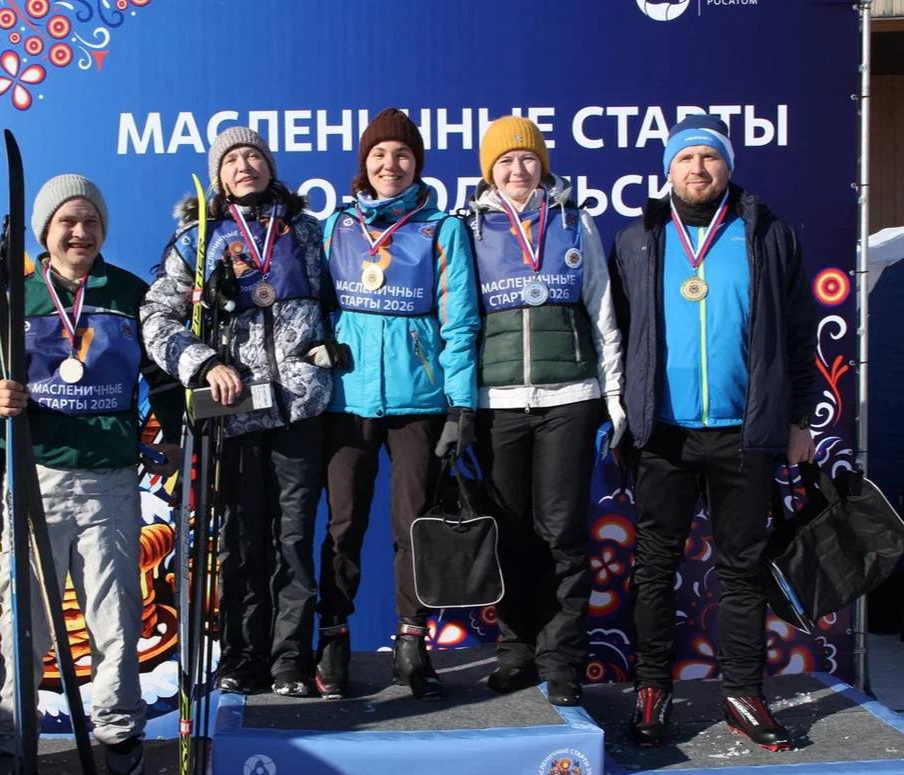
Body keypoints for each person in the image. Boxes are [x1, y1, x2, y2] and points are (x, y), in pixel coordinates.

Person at [609, 115, 816, 751]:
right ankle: (651, 688)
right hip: (663, 433)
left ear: (727, 167)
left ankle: (743, 693)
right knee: (654, 567)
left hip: (745, 431)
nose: (697, 168)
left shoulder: (768, 233)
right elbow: (616, 334)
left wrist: (799, 419)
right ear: (667, 170)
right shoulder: (637, 239)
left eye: (709, 157)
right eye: (685, 158)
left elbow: (798, 331)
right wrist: (622, 416)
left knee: (743, 570)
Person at [0, 175, 183, 775]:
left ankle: (119, 734)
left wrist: (171, 433)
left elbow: (163, 377)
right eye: (67, 221)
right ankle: (14, 743)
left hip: (109, 481)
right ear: (45, 231)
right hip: (35, 478)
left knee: (116, 619)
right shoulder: (17, 298)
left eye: (91, 221)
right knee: (26, 623)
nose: (80, 232)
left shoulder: (129, 292)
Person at [141, 126, 332, 696]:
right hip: (235, 410)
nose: (244, 165)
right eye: (231, 160)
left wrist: (329, 350)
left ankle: (290, 659)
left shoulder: (306, 231)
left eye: (253, 155)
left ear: (270, 166)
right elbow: (156, 318)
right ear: (218, 178)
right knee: (242, 541)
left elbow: (343, 302)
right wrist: (203, 364)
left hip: (301, 407)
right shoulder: (197, 239)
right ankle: (242, 657)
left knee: (294, 539)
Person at [315, 108, 480, 700]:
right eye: (380, 154)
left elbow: (459, 321)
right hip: (347, 397)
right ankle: (333, 638)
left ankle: (413, 645)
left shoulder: (442, 229)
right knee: (343, 526)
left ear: (418, 164)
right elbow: (314, 307)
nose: (391, 164)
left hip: (419, 399)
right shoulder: (335, 226)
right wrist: (319, 349)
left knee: (414, 526)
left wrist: (460, 407)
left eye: (403, 154)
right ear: (365, 163)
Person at [466, 116, 624, 707]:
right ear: (490, 171)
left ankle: (563, 660)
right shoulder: (469, 229)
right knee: (509, 533)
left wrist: (614, 396)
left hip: (570, 399)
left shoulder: (575, 222)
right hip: (499, 402)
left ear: (544, 165)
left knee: (562, 534)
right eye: (505, 161)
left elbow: (602, 312)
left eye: (527, 159)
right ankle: (516, 650)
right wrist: (462, 404)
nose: (517, 170)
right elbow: (460, 322)